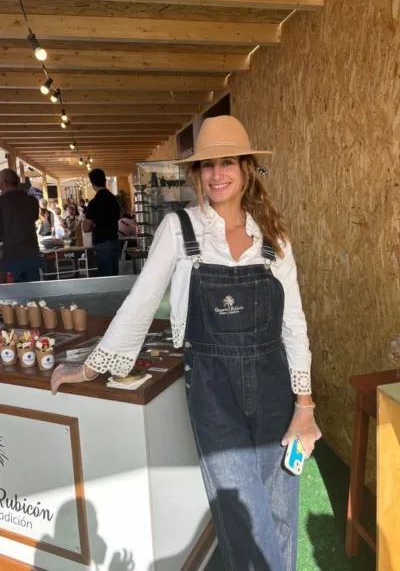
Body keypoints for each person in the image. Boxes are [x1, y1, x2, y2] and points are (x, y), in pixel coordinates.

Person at [51, 116, 321, 570]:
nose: (217, 174)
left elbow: (293, 323)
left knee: (280, 512)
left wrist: (305, 405)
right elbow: (141, 302)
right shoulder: (180, 229)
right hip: (213, 391)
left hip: (275, 386)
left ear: (246, 168)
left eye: (227, 162)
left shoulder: (273, 237)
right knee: (243, 519)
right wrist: (92, 365)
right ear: (197, 173)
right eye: (207, 165)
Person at [0, 168, 41, 282]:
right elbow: (34, 218)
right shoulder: (32, 200)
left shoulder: (1, 202)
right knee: (34, 290)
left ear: (5, 183)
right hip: (32, 254)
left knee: (13, 291)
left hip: (11, 255)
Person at [83, 168, 121, 277]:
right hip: (115, 241)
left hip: (102, 243)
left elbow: (86, 228)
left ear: (93, 184)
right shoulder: (114, 199)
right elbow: (120, 215)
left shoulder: (94, 202)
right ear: (104, 181)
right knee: (115, 275)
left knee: (106, 278)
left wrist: (95, 223)